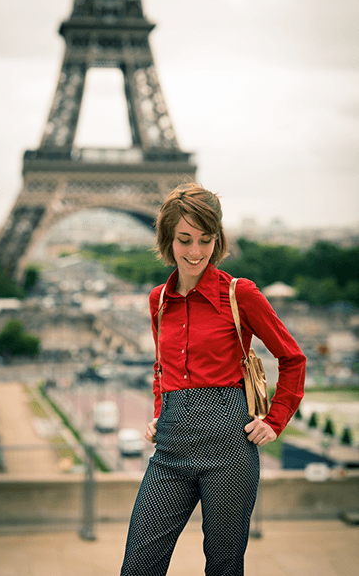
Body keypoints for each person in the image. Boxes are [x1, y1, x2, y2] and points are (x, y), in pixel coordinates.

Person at [120, 184, 306, 576]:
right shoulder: (158, 300)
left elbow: (292, 357)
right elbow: (161, 367)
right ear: (167, 240)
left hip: (229, 449)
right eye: (185, 239)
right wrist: (160, 411)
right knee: (138, 567)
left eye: (206, 240)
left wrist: (275, 421)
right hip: (171, 448)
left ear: (217, 240)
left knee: (223, 569)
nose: (195, 251)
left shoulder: (241, 295)